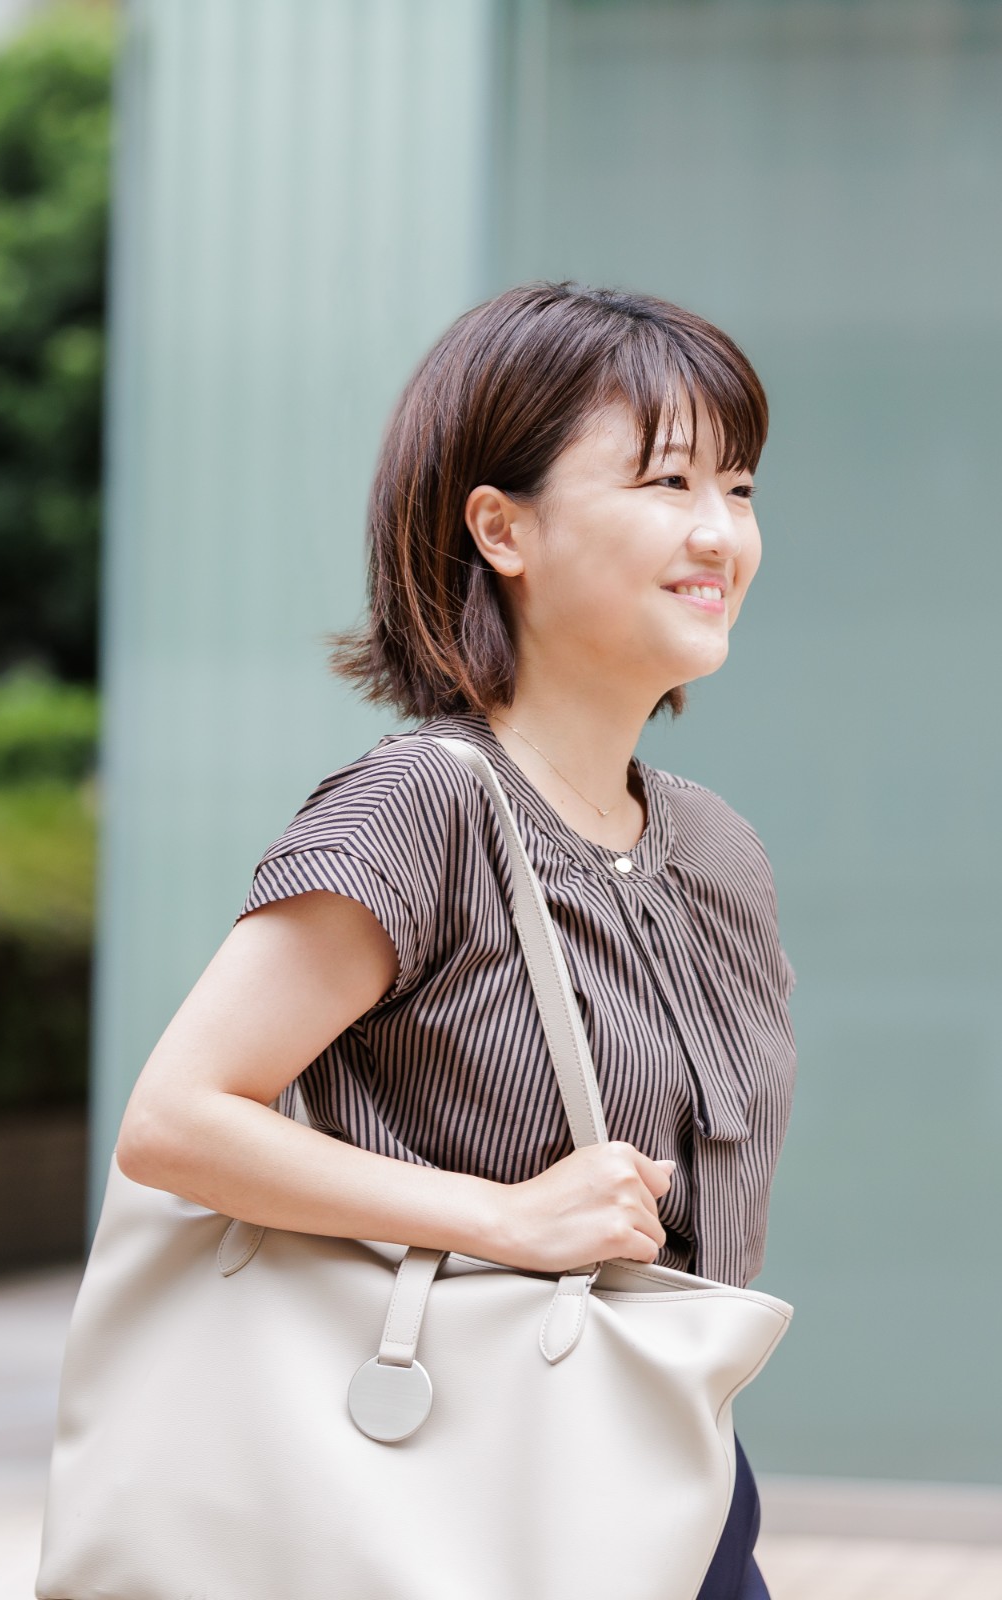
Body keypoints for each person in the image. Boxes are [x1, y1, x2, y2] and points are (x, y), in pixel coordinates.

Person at [112, 281, 796, 1600]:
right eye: (667, 483)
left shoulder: (714, 850)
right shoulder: (420, 805)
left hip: (670, 1455)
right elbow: (177, 1120)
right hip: (453, 1481)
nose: (719, 534)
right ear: (501, 528)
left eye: (743, 489)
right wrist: (506, 1221)